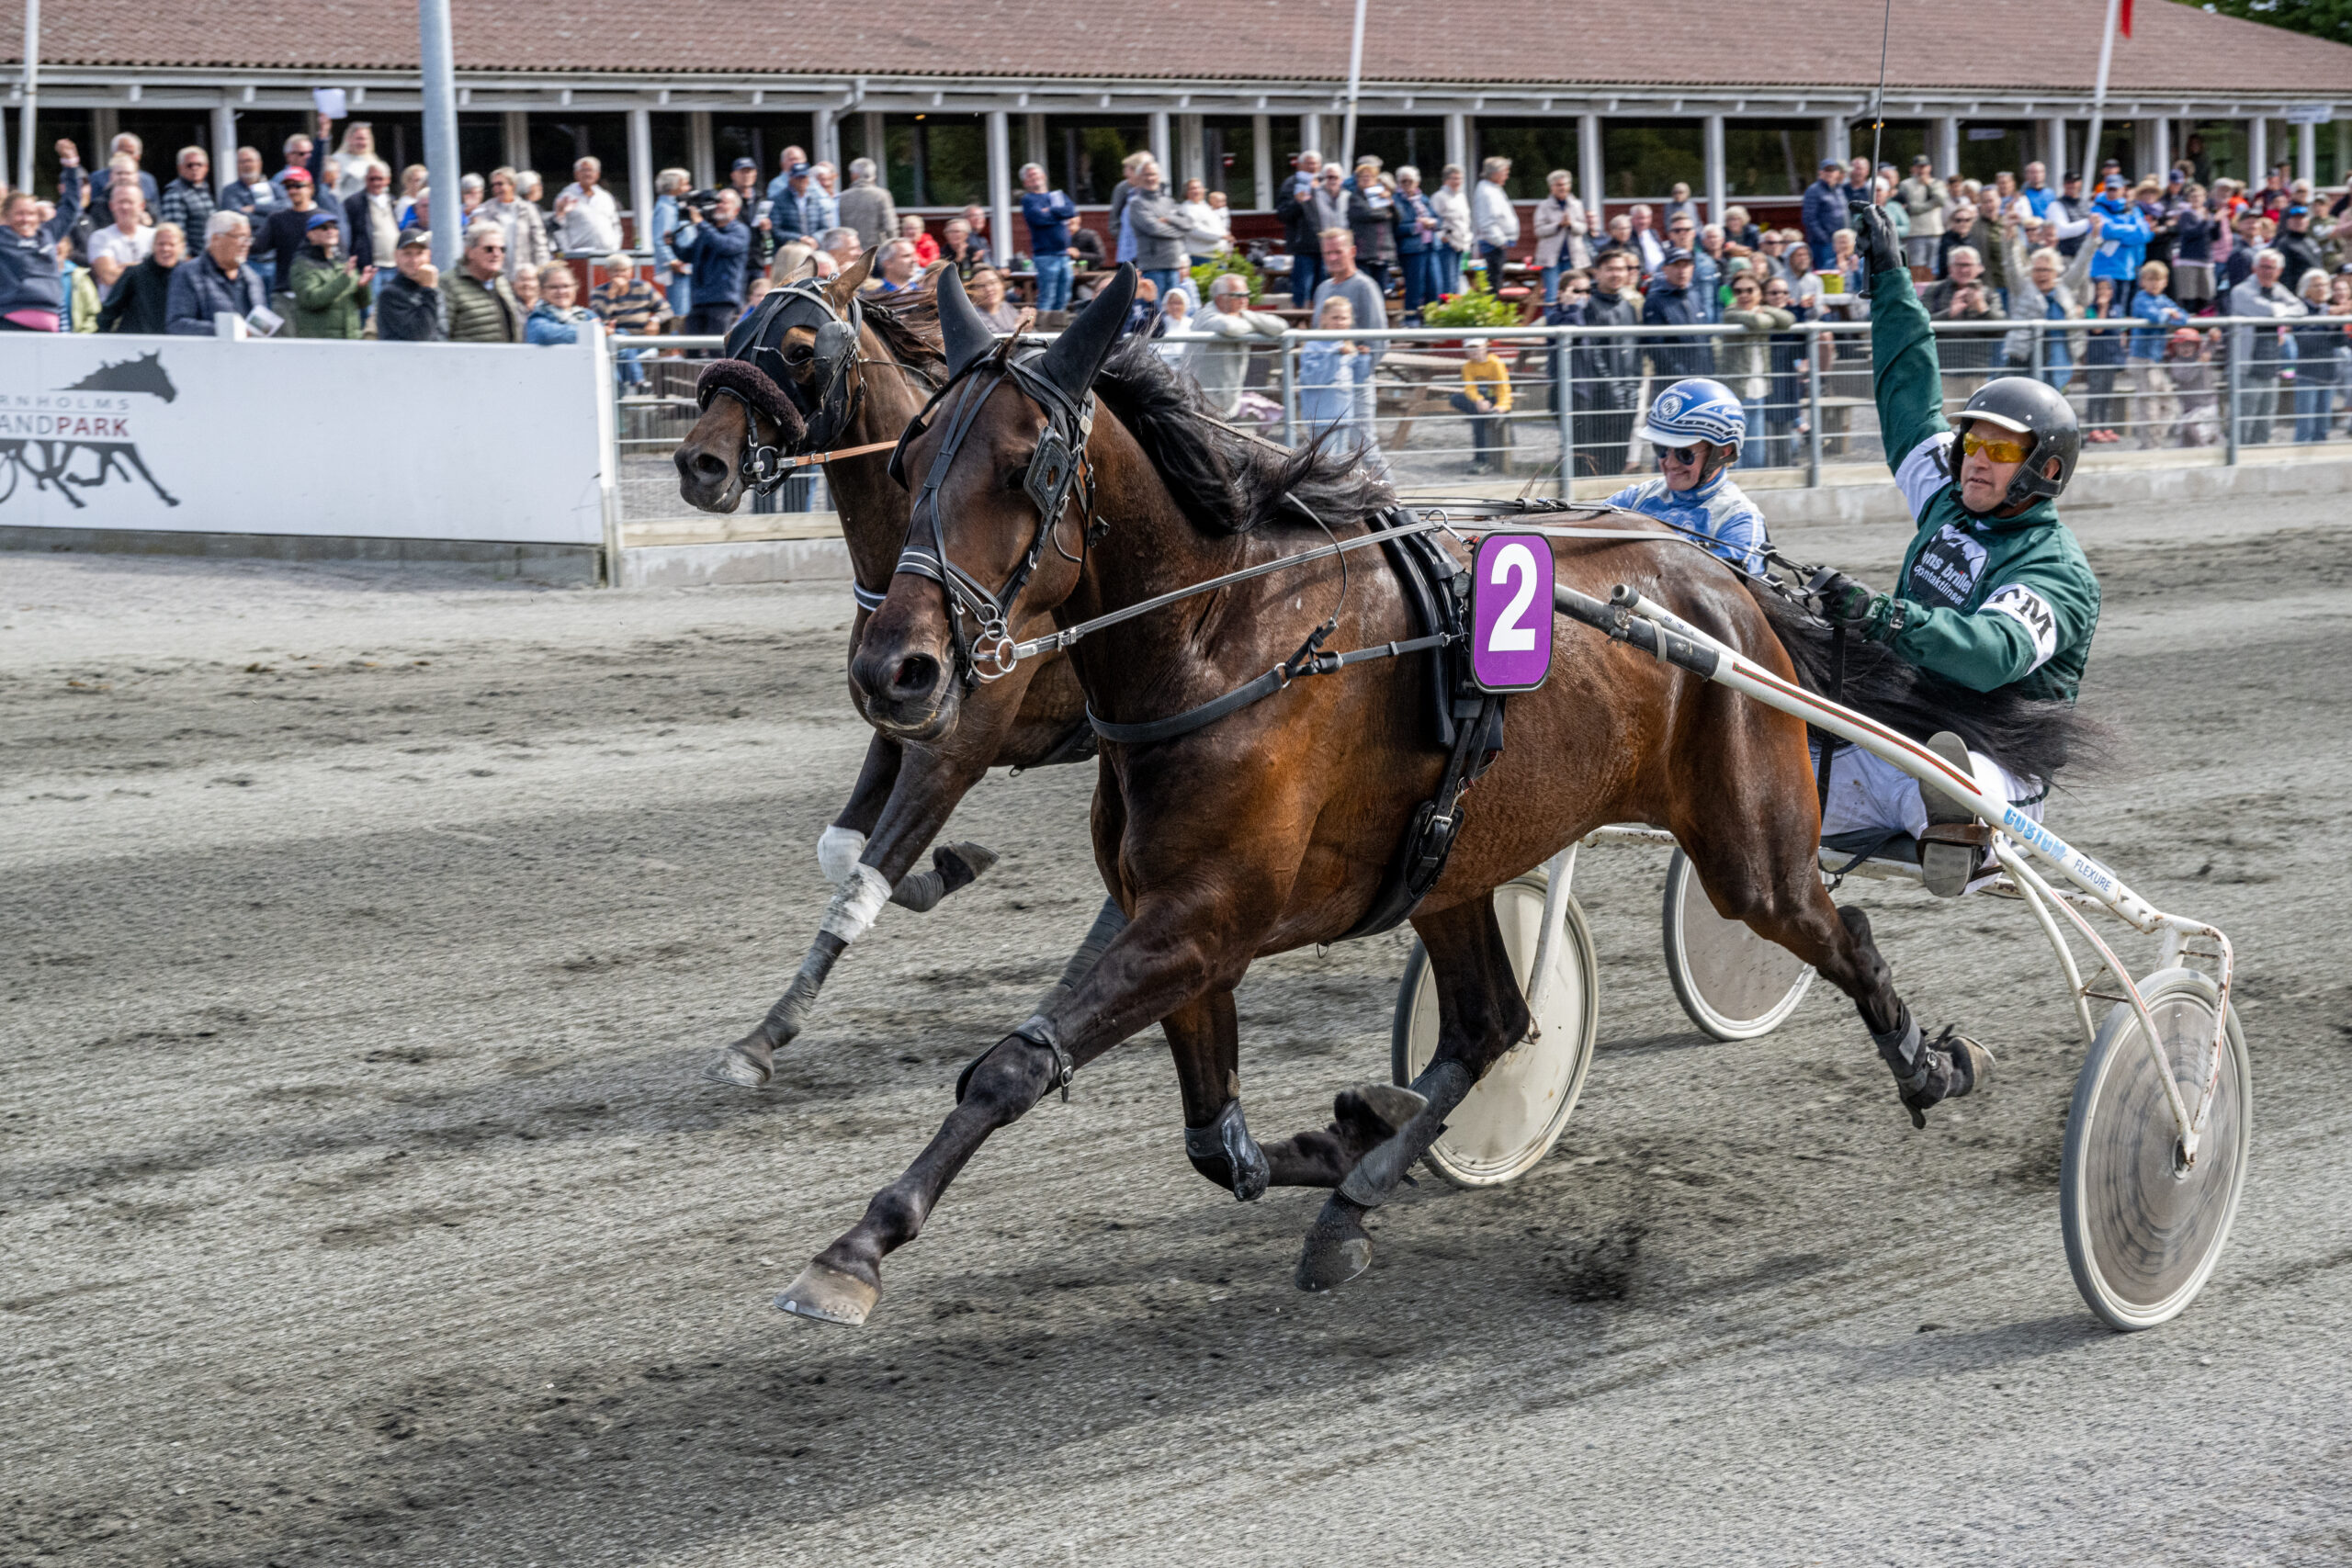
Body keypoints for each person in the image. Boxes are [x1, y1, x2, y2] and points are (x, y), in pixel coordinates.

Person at [1826, 200, 2100, 912]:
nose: (1977, 459)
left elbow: (1994, 652)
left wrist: (1886, 619)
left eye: (2000, 449)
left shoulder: (2058, 572)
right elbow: (1909, 396)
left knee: (1960, 770)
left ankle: (1959, 830)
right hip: (1902, 740)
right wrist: (1890, 279)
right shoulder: (1950, 495)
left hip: (1999, 764)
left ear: (2042, 467)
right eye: (1972, 441)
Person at [1566, 248, 1643, 476]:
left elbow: (1636, 348)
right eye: (1610, 269)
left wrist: (1634, 384)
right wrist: (1611, 386)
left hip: (1628, 390)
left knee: (1619, 454)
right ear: (1597, 273)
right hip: (1600, 394)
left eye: (1621, 269)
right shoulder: (1589, 305)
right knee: (1599, 456)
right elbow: (1593, 352)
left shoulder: (1627, 306)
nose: (1616, 274)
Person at [1297, 294, 1384, 476]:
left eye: (1344, 318)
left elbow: (1358, 380)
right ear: (1323, 319)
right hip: (1321, 417)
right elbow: (1313, 379)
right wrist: (1334, 355)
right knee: (1323, 462)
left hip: (1344, 415)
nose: (1340, 322)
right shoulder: (1313, 345)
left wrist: (1362, 359)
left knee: (1340, 463)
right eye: (1335, 317)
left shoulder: (1345, 345)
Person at [2226, 249, 2303, 446]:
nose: (2267, 271)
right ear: (2254, 268)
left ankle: (2258, 459)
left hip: (2271, 367)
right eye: (2263, 267)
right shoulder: (2241, 291)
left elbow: (2300, 308)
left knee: (2265, 421)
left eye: (2272, 268)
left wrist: (2280, 311)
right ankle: (2237, 459)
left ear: (2279, 270)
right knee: (2243, 419)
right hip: (2248, 367)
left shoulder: (2278, 290)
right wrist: (2280, 311)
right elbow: (2264, 310)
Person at [1719, 274, 1795, 468]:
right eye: (1738, 291)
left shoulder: (1761, 310)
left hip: (1759, 391)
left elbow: (1788, 318)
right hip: (1736, 393)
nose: (1744, 295)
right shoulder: (1731, 313)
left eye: (1749, 290)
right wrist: (1763, 314)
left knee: (1756, 455)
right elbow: (1760, 323)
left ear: (1759, 293)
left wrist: (1763, 309)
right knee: (1734, 456)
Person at [1185, 272, 1284, 415]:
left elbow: (1280, 327)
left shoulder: (1243, 316)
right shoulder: (1205, 315)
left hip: (1226, 405)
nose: (1244, 300)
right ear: (1220, 299)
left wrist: (1245, 315)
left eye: (1246, 294)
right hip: (1199, 404)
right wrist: (1255, 325)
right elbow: (1229, 327)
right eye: (1238, 295)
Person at [165, 210, 268, 335]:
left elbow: (261, 325)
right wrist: (229, 331)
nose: (246, 244)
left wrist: (264, 328)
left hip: (249, 353)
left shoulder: (253, 278)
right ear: (216, 239)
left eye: (248, 239)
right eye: (240, 237)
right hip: (206, 354)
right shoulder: (187, 274)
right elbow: (177, 325)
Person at [2126, 261, 2187, 448]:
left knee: (2169, 404)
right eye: (2150, 279)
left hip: (2155, 360)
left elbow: (2183, 317)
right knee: (2149, 404)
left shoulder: (2163, 300)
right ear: (2143, 281)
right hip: (2141, 358)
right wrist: (2169, 314)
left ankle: (2153, 442)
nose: (2154, 283)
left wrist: (2169, 313)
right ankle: (2150, 445)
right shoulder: (2141, 298)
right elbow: (2156, 317)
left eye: (2158, 280)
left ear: (2165, 282)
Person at [674, 188, 751, 337]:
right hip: (699, 300)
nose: (718, 205)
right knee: (692, 349)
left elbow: (724, 246)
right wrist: (672, 243)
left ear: (736, 209)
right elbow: (688, 255)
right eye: (715, 201)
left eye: (723, 202)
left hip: (723, 300)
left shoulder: (740, 230)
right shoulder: (707, 230)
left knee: (716, 348)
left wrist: (701, 224)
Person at [288, 213, 371, 338]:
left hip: (351, 339)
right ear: (310, 234)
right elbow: (311, 300)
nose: (330, 231)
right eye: (324, 228)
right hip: (321, 343)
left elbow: (363, 303)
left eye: (334, 227)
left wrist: (362, 286)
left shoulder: (343, 261)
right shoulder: (303, 264)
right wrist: (343, 279)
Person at [96, 220, 183, 333]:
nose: (166, 249)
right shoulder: (134, 274)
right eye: (161, 244)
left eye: (171, 244)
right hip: (134, 345)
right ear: (153, 246)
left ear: (181, 247)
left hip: (177, 346)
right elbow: (109, 312)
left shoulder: (187, 276)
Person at [446, 220, 526, 343]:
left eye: (502, 249)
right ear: (469, 252)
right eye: (489, 249)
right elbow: (441, 335)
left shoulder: (502, 282)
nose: (497, 254)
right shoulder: (448, 283)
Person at [1124, 164, 1193, 305]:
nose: (1150, 178)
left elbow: (1188, 224)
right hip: (1152, 267)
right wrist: (1178, 231)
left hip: (1174, 265)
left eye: (1153, 174)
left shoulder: (1169, 202)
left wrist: (1168, 219)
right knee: (1153, 313)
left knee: (1173, 311)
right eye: (1146, 175)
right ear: (1139, 178)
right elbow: (1154, 228)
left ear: (1159, 177)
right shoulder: (1137, 204)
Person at [1312, 228, 1386, 352]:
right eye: (1328, 253)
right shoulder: (1322, 288)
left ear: (1352, 251)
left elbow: (1378, 339)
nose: (1333, 258)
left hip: (1353, 367)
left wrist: (1362, 368)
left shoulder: (1365, 286)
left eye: (1338, 252)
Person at [1019, 164, 1080, 313]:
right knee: (1047, 298)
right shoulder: (1029, 199)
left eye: (1036, 173)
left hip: (1064, 256)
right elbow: (1038, 218)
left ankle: (1058, 332)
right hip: (1045, 257)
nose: (1034, 177)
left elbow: (1071, 211)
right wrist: (1058, 215)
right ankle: (1044, 334)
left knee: (1064, 298)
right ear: (1026, 183)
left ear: (1044, 176)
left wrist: (1050, 211)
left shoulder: (1057, 196)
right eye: (1030, 175)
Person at [1642, 245, 1709, 380]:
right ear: (1665, 269)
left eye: (1686, 265)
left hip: (1702, 374)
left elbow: (1706, 338)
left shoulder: (1695, 295)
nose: (1682, 271)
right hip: (1673, 380)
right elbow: (1655, 345)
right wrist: (1678, 373)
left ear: (1692, 268)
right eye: (1676, 265)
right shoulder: (1654, 300)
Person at [85, 180, 155, 303]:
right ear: (112, 206)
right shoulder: (100, 237)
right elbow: (108, 276)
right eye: (120, 202)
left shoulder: (154, 236)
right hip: (115, 313)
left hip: (149, 310)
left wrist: (122, 267)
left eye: (130, 202)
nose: (125, 207)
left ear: (142, 206)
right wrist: (147, 266)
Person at [1450, 336, 1511, 473]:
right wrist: (1478, 400)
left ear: (1485, 347)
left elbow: (1503, 388)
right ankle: (1482, 460)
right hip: (1479, 402)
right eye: (1470, 349)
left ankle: (1482, 460)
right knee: (1455, 399)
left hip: (1494, 400)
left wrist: (1500, 407)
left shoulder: (1495, 363)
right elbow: (1470, 388)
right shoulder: (1468, 366)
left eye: (1476, 348)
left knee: (1478, 419)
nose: (1473, 352)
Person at [480, 167, 553, 280]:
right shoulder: (485, 210)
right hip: (496, 275)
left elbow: (540, 243)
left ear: (512, 185)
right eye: (493, 185)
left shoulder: (528, 209)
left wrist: (541, 270)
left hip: (525, 275)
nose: (496, 188)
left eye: (500, 184)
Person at [375, 228, 447, 342]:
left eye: (420, 253)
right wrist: (429, 290)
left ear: (428, 256)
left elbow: (443, 333)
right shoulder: (390, 295)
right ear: (396, 257)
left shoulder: (436, 290)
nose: (414, 260)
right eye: (407, 254)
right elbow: (421, 336)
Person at [1392, 165, 1442, 321]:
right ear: (1398, 183)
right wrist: (1417, 226)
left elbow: (1439, 220)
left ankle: (1431, 319)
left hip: (1430, 247)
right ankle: (1411, 319)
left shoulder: (1424, 199)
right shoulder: (1396, 202)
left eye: (1410, 181)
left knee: (1434, 285)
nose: (1407, 184)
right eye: (1403, 181)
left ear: (1417, 182)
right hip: (1411, 250)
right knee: (1415, 287)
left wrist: (1433, 222)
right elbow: (1396, 228)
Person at [1346, 162, 1398, 294]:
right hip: (1364, 253)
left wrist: (1391, 204)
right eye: (1362, 176)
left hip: (1382, 252)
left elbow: (1398, 219)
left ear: (1376, 179)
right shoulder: (1354, 197)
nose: (1366, 179)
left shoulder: (1383, 196)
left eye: (1369, 176)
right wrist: (1386, 213)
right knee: (1364, 290)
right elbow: (1366, 214)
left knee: (1380, 291)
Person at [554, 157, 624, 254]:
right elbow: (559, 227)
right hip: (579, 255)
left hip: (607, 253)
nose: (587, 174)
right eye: (583, 170)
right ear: (576, 174)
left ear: (597, 174)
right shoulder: (565, 197)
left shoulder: (605, 197)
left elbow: (616, 224)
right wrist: (567, 252)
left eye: (591, 170)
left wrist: (615, 248)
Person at [1534, 174, 1586, 305]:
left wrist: (1571, 224)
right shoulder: (1544, 206)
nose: (1562, 188)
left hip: (1572, 258)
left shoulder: (1576, 204)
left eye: (1565, 184)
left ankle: (1574, 322)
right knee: (1552, 296)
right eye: (1558, 185)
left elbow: (1583, 228)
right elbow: (1539, 230)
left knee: (1574, 294)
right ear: (1552, 187)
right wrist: (1558, 225)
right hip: (1552, 260)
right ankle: (1552, 323)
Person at [1471, 156, 1519, 295]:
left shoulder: (1494, 189)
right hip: (1493, 245)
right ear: (1495, 173)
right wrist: (1500, 241)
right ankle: (1490, 313)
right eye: (1505, 172)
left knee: (1497, 281)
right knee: (1493, 284)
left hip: (1497, 244)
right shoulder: (1486, 192)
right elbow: (1486, 221)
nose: (1507, 175)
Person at [343, 162, 401, 273]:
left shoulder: (392, 201)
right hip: (370, 267)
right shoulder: (353, 203)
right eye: (372, 179)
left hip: (395, 264)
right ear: (366, 179)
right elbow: (348, 234)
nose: (376, 183)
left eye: (380, 179)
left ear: (388, 180)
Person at [2169, 184, 2220, 310]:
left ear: (2204, 197)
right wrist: (2207, 221)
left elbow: (2215, 237)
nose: (2196, 199)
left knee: (2206, 297)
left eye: (2199, 196)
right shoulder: (2186, 215)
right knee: (2189, 297)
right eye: (2193, 196)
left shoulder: (2209, 215)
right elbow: (2190, 233)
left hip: (2205, 260)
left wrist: (2217, 223)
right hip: (2189, 261)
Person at [1897, 155, 1948, 275]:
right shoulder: (1906, 185)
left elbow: (1941, 201)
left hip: (1934, 231)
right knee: (1917, 266)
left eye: (1924, 167)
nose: (1921, 170)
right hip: (1915, 232)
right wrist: (1930, 205)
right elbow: (1907, 207)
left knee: (1933, 267)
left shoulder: (1937, 184)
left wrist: (1928, 185)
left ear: (1929, 168)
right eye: (1918, 167)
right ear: (1913, 169)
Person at [525, 261, 596, 344]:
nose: (561, 291)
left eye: (566, 286)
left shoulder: (588, 315)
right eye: (554, 287)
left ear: (575, 288)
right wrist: (592, 330)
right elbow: (546, 335)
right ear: (541, 292)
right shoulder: (538, 318)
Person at [652, 168, 692, 319]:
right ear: (673, 187)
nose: (689, 188)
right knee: (681, 312)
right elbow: (660, 239)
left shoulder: (676, 205)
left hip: (685, 266)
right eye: (685, 184)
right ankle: (679, 342)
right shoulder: (665, 208)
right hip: (678, 269)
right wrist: (673, 261)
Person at [836, 158, 897, 253]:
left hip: (849, 251)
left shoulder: (842, 197)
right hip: (875, 252)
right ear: (873, 175)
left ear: (854, 176)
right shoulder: (881, 195)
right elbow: (890, 228)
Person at [1430, 163, 1472, 299]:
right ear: (1446, 180)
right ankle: (1446, 309)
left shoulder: (1461, 196)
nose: (1457, 181)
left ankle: (1455, 309)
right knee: (1448, 280)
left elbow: (1465, 219)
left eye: (1459, 178)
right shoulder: (1439, 197)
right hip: (1447, 243)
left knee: (1457, 279)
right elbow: (1434, 220)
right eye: (1454, 178)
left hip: (1461, 243)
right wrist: (1442, 237)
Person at [158, 147, 215, 235]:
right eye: (190, 165)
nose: (195, 168)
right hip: (192, 249)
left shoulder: (204, 189)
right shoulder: (174, 194)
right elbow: (176, 234)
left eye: (199, 164)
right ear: (180, 168)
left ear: (206, 167)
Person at [327, 123, 388, 200]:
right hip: (346, 207)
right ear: (349, 139)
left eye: (365, 139)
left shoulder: (377, 163)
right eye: (359, 138)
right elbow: (332, 189)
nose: (362, 142)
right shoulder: (336, 160)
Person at [1802, 159, 1846, 260]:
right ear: (1820, 172)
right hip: (1823, 244)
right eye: (1826, 170)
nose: (1829, 173)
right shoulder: (1813, 190)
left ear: (1837, 173)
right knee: (1826, 273)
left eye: (1832, 170)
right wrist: (1826, 239)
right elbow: (1809, 218)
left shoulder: (1839, 189)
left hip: (1841, 243)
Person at [967, 266, 1024, 333]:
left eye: (993, 282)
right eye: (981, 285)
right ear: (973, 291)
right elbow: (1001, 340)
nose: (989, 289)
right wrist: (1022, 324)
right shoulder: (974, 316)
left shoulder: (1005, 306)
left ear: (1002, 285)